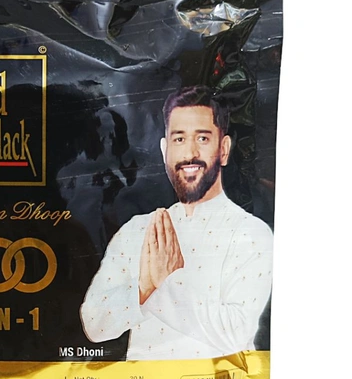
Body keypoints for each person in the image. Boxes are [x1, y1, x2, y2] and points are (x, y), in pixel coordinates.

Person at [80, 86, 273, 360]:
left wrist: (164, 282)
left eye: (202, 138)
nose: (189, 152)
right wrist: (145, 286)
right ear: (164, 150)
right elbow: (94, 324)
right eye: (179, 139)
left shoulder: (251, 234)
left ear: (224, 149)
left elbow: (236, 335)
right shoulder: (136, 230)